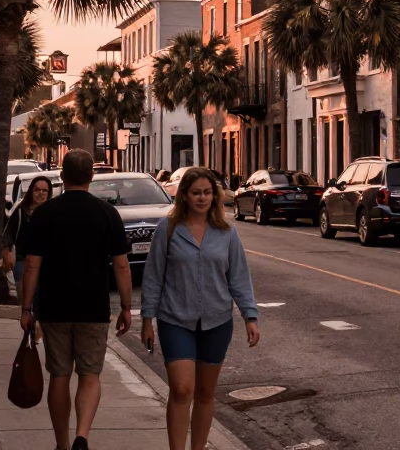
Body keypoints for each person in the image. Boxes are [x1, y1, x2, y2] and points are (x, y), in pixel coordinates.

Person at [20, 150, 133, 450]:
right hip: (93, 308)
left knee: (59, 375)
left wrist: (26, 308)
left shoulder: (44, 213)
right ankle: (82, 435)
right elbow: (121, 265)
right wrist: (125, 307)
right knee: (90, 375)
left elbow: (32, 264)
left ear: (62, 176)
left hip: (54, 308)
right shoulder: (108, 213)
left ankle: (62, 443)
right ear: (91, 176)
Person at [141, 167, 259, 450]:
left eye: (207, 193)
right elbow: (153, 276)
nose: (202, 198)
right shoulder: (167, 229)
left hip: (217, 321)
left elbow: (239, 277)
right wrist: (147, 319)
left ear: (214, 196)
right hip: (175, 319)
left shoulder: (227, 232)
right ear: (184, 196)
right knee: (182, 389)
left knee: (206, 393)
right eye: (195, 193)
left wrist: (249, 315)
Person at [3, 175, 52, 341]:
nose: (41, 194)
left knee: (42, 298)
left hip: (47, 264)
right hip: (23, 262)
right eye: (37, 190)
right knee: (26, 298)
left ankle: (37, 328)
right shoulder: (21, 212)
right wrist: (8, 251)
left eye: (44, 190)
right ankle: (30, 329)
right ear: (31, 191)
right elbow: (7, 235)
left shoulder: (53, 212)